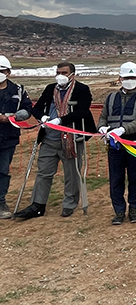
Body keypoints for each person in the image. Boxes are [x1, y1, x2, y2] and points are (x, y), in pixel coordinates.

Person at [15, 62, 96, 219]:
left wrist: (61, 120)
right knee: (43, 173)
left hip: (71, 139)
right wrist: (43, 117)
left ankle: (69, 203)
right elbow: (36, 108)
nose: (60, 75)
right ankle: (37, 205)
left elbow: (83, 111)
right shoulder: (50, 88)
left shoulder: (82, 89)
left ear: (73, 74)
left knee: (72, 174)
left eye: (64, 72)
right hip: (49, 138)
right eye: (58, 72)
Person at [97, 62, 136, 225]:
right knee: (116, 178)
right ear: (120, 78)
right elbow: (103, 116)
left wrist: (122, 130)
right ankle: (119, 210)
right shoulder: (110, 97)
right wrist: (102, 128)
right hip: (115, 146)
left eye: (133, 77)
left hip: (135, 144)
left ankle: (134, 208)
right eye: (127, 77)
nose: (130, 80)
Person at [0, 56, 34, 219]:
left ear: (8, 72)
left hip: (8, 137)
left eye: (2, 70)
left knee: (3, 171)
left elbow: (27, 109)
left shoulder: (18, 90)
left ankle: (0, 202)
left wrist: (16, 116)